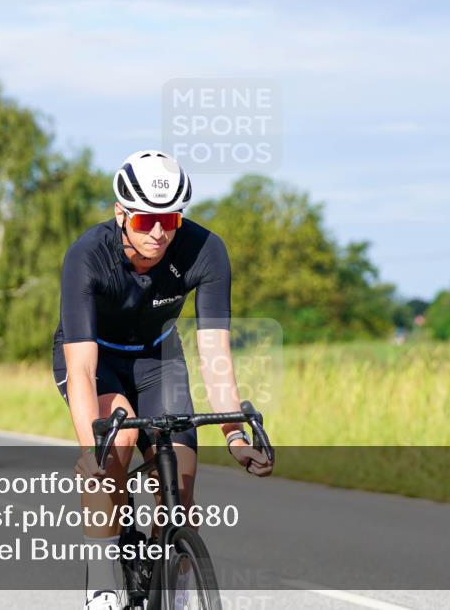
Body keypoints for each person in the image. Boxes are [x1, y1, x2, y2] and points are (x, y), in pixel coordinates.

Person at [53, 150, 273, 610]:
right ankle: (100, 582)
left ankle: (176, 590)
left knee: (180, 490)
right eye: (144, 222)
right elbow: (81, 370)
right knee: (115, 444)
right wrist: (87, 452)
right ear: (120, 214)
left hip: (159, 359)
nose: (158, 233)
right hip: (98, 359)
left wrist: (233, 435)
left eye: (169, 220)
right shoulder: (88, 256)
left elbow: (214, 353)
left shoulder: (205, 250)